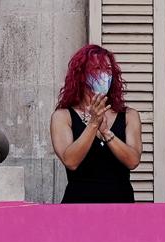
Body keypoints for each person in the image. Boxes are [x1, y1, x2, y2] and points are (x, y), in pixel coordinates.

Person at [51, 44, 141, 203]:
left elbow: (133, 160)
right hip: (79, 207)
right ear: (82, 75)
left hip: (121, 206)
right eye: (97, 68)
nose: (104, 74)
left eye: (108, 69)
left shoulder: (129, 115)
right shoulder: (63, 116)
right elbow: (71, 161)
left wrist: (106, 132)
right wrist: (93, 124)